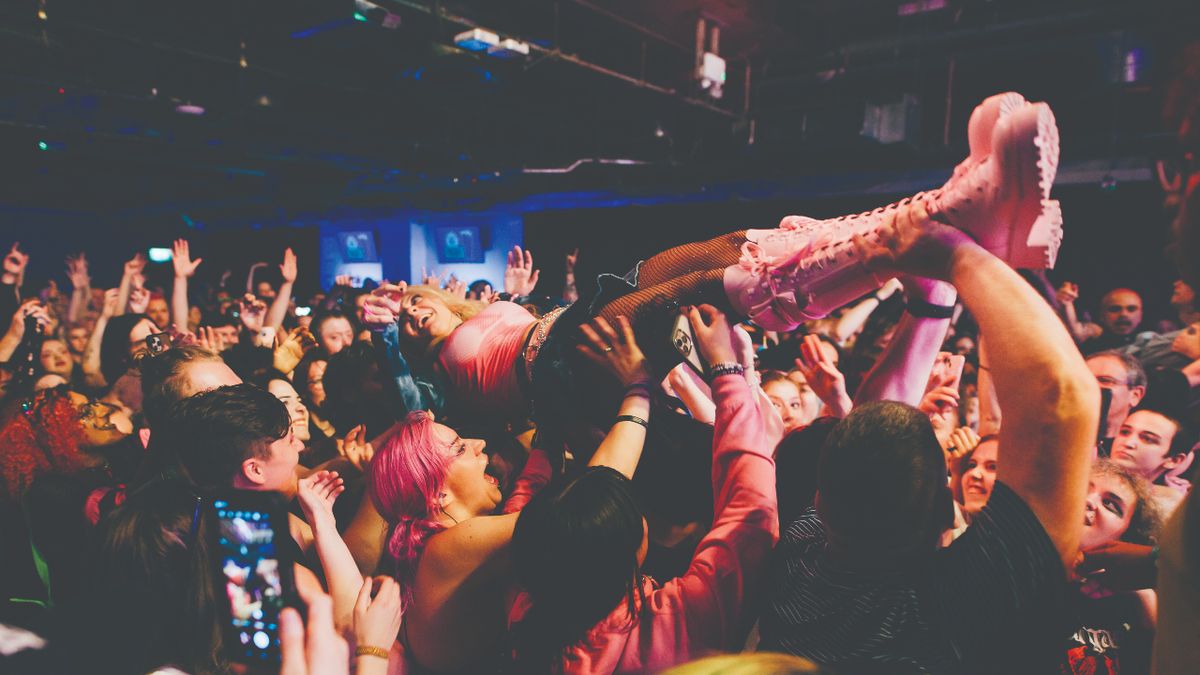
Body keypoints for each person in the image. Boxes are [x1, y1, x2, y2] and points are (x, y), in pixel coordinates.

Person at [759, 197, 1100, 672]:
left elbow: (871, 435)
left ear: (819, 498)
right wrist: (958, 257)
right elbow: (1061, 400)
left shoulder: (797, 555)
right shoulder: (952, 610)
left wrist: (931, 306)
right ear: (945, 516)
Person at [367, 316, 651, 672]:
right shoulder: (450, 546)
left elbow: (531, 494)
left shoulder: (436, 551)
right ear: (436, 497)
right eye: (459, 448)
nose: (478, 444)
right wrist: (638, 390)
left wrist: (549, 429)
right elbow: (594, 502)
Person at [508, 305, 780, 674]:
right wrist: (727, 371)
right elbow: (750, 510)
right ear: (638, 548)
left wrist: (545, 444)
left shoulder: (524, 611)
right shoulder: (674, 626)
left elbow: (523, 511)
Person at [1062, 460, 1163, 674]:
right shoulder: (1012, 561)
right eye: (1080, 487)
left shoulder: (1129, 607)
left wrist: (1144, 601)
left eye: (1110, 505)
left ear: (1125, 538)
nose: (1088, 500)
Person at [1086, 350, 1147, 450]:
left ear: (1135, 395)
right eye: (1085, 378)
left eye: (1105, 380)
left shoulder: (1131, 451)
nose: (1091, 385)